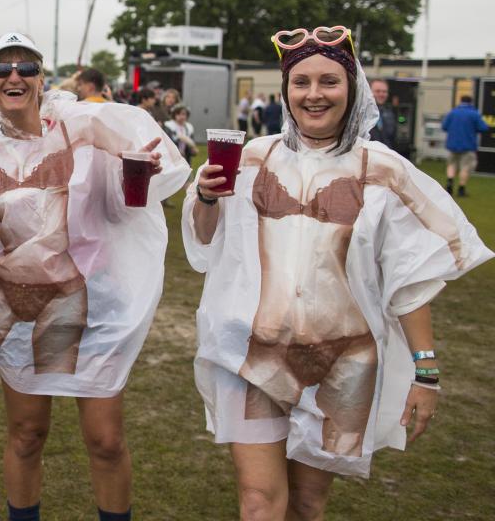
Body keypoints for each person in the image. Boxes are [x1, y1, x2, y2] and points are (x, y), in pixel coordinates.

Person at [182, 25, 492, 520]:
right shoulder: (250, 158)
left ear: (353, 88)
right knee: (259, 500)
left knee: (308, 503)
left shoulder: (383, 169)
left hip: (343, 363)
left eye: (329, 81)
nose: (314, 94)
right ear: (285, 92)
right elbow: (205, 240)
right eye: (300, 82)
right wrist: (204, 197)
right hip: (253, 355)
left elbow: (410, 278)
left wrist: (426, 373)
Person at [0, 32, 190, 521]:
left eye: (25, 67)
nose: (13, 76)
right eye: (1, 68)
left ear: (43, 78)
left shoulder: (82, 128)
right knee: (26, 436)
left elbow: (136, 188)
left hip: (92, 309)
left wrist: (142, 168)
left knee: (105, 440)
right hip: (16, 315)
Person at [442, 94, 490, 197]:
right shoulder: (474, 114)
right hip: (468, 145)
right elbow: (483, 127)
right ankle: (461, 188)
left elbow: (444, 126)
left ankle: (449, 183)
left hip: (452, 144)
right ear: (470, 102)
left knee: (452, 164)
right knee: (465, 167)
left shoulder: (453, 112)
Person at [368, 78, 397, 150]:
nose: (381, 94)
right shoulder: (360, 114)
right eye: (377, 91)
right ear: (369, 92)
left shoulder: (389, 114)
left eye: (384, 92)